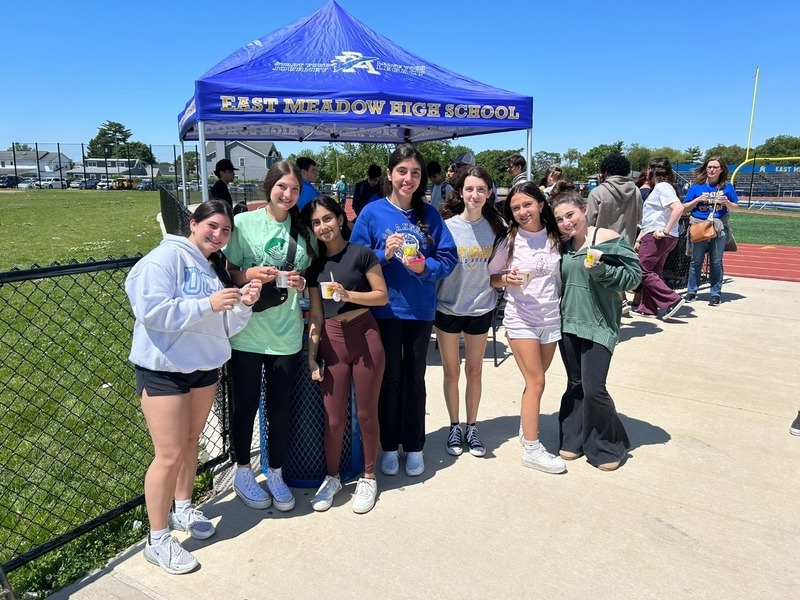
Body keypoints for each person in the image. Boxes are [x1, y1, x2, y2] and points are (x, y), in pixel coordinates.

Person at [125, 200, 262, 574]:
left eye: (225, 231)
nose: (217, 235)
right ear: (194, 223)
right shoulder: (164, 258)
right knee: (168, 454)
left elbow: (225, 325)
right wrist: (208, 304)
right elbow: (151, 312)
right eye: (212, 227)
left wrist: (243, 305)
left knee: (190, 442)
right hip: (165, 369)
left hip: (203, 367)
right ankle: (157, 539)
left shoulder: (211, 266)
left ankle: (183, 507)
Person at [350, 144, 458, 477]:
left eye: (414, 172)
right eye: (402, 171)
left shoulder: (430, 214)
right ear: (389, 174)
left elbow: (449, 257)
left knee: (415, 379)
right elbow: (354, 258)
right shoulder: (372, 212)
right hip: (384, 309)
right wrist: (383, 253)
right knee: (389, 379)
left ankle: (414, 446)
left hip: (420, 310)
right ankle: (388, 445)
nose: (408, 178)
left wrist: (425, 268)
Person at [223, 160, 317, 513]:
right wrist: (249, 272)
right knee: (245, 405)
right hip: (247, 332)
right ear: (269, 186)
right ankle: (243, 471)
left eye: (294, 189)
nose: (288, 194)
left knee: (280, 410)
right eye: (282, 187)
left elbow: (310, 275)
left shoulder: (304, 230)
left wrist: (301, 282)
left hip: (286, 333)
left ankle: (274, 471)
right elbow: (229, 273)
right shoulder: (244, 223)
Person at [302, 196, 388, 513]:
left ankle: (368, 476)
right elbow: (316, 316)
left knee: (366, 413)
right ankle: (333, 477)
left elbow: (381, 296)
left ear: (340, 218)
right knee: (333, 417)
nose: (323, 226)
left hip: (365, 335)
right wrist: (312, 357)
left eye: (327, 218)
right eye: (315, 222)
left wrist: (348, 294)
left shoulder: (361, 255)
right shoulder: (315, 268)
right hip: (332, 340)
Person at [551, 190, 642, 471]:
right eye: (560, 219)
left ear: (583, 211)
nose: (566, 222)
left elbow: (634, 277)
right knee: (575, 385)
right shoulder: (563, 247)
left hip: (599, 325)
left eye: (570, 215)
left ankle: (608, 445)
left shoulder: (607, 239)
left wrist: (601, 269)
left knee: (594, 389)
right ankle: (574, 438)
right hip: (568, 324)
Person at [488, 182, 565, 474]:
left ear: (541, 205)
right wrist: (506, 280)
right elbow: (493, 277)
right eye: (516, 207)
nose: (522, 211)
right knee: (537, 382)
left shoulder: (556, 236)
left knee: (535, 381)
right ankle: (532, 448)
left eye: (527, 205)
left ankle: (526, 427)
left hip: (550, 319)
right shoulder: (510, 239)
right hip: (521, 319)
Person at [436, 167, 506, 458]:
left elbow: (500, 269)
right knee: (451, 372)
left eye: (481, 189)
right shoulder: (447, 226)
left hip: (480, 308)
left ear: (489, 193)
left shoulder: (497, 227)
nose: (474, 195)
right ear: (460, 193)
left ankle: (472, 426)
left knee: (474, 371)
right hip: (448, 307)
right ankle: (454, 425)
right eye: (469, 189)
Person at [586, 152, 642, 316]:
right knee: (618, 279)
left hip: (598, 246)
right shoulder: (636, 192)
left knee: (595, 286)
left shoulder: (597, 192)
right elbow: (639, 218)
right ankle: (620, 300)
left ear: (605, 171)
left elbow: (589, 222)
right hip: (626, 245)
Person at [631, 160, 685, 319]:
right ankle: (648, 307)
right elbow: (650, 219)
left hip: (657, 237)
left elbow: (678, 208)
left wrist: (665, 231)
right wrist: (640, 239)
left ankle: (672, 300)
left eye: (648, 169)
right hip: (655, 235)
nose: (646, 172)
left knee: (641, 269)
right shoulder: (660, 188)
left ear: (653, 171)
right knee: (654, 271)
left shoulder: (662, 187)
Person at [682, 156, 739, 306]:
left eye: (715, 167)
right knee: (696, 261)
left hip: (719, 227)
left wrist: (726, 201)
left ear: (721, 170)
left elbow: (735, 207)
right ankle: (691, 291)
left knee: (716, 261)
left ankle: (715, 293)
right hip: (699, 226)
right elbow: (685, 207)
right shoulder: (696, 187)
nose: (712, 170)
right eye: (709, 167)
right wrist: (698, 200)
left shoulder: (727, 187)